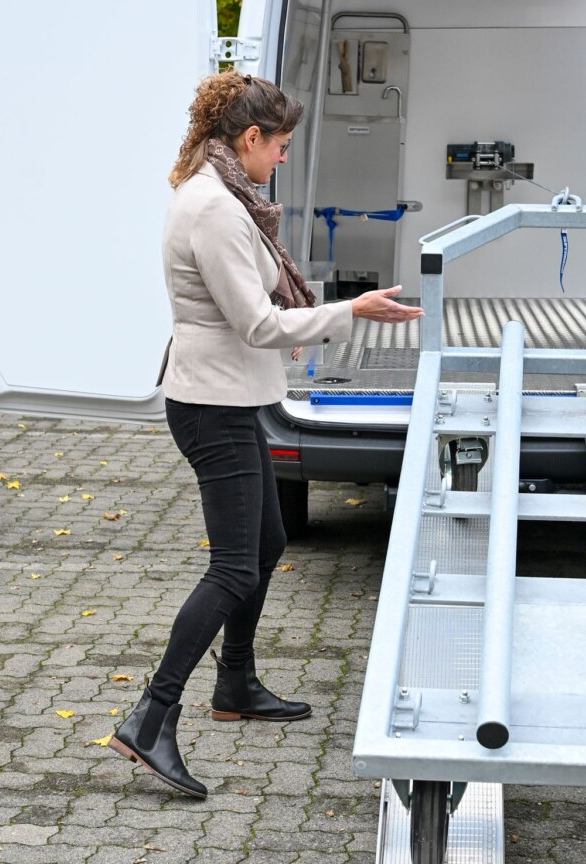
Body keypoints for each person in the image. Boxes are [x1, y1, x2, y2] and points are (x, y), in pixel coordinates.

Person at [110, 71, 422, 797]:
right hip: (210, 407)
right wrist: (353, 312)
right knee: (235, 566)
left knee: (268, 541)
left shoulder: (221, 192)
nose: (283, 158)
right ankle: (151, 718)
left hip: (231, 397)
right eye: (279, 145)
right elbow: (257, 323)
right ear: (249, 139)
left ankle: (237, 684)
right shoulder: (214, 208)